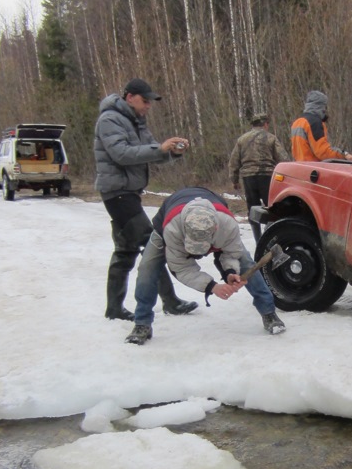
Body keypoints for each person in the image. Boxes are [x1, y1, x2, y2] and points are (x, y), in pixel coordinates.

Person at [93, 78, 198, 321]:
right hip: (117, 193)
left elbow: (151, 150)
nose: (148, 106)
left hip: (127, 192)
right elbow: (121, 154)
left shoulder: (135, 121)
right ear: (129, 97)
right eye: (145, 101)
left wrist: (172, 152)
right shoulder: (110, 119)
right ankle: (170, 301)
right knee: (153, 244)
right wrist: (160, 149)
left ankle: (114, 308)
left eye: (150, 102)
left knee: (125, 250)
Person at [126, 187, 286, 344]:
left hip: (217, 225)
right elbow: (182, 268)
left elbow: (231, 253)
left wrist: (231, 272)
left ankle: (269, 313)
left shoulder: (227, 225)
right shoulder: (173, 230)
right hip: (167, 225)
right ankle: (142, 323)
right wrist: (212, 286)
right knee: (147, 269)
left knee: (245, 262)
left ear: (216, 228)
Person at [228, 112, 290, 244]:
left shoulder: (242, 139)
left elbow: (234, 162)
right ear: (265, 124)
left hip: (248, 178)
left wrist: (234, 180)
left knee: (252, 209)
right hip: (267, 176)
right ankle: (271, 239)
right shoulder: (271, 138)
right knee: (271, 208)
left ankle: (258, 240)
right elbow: (283, 158)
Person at [291, 90, 352, 163]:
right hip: (313, 170)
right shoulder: (314, 122)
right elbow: (322, 152)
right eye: (325, 106)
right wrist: (344, 155)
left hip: (299, 168)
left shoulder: (297, 122)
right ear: (321, 106)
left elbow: (295, 152)